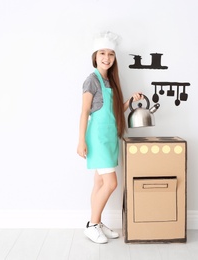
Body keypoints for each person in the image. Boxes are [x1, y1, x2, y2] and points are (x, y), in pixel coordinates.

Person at [77, 31, 143, 244]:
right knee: (111, 183)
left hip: (110, 137)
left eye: (111, 54)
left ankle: (96, 222)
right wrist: (81, 141)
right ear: (95, 56)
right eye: (103, 53)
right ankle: (93, 225)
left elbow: (115, 111)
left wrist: (130, 100)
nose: (107, 58)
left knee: (99, 183)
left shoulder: (111, 81)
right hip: (97, 139)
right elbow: (84, 112)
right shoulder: (91, 81)